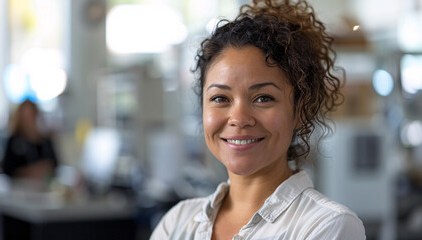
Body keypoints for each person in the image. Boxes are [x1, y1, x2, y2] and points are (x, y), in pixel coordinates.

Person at [151, 0, 365, 239]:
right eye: (221, 98)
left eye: (263, 98)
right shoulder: (178, 222)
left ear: (301, 112)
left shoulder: (326, 225)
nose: (239, 119)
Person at [1, 99, 58, 181]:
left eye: (30, 115)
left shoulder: (46, 142)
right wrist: (28, 172)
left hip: (43, 188)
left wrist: (46, 168)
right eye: (25, 117)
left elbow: (56, 165)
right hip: (19, 189)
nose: (28, 120)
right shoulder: (13, 142)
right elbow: (7, 169)